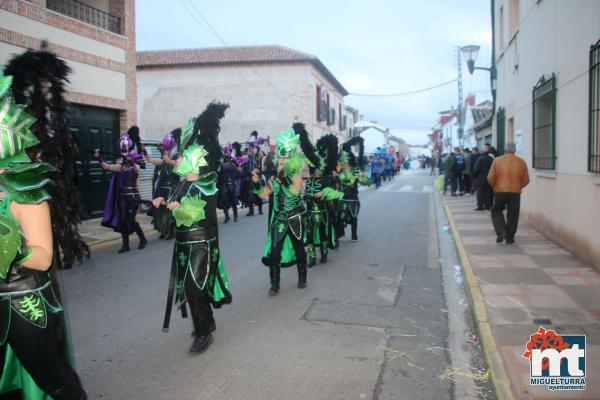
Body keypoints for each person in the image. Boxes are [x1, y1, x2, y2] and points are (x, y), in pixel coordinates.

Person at [0, 72, 87, 399]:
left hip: (24, 303)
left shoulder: (27, 192)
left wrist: (8, 250)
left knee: (55, 380)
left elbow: (43, 256)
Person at [159, 102, 232, 354]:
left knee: (194, 287)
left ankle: (203, 334)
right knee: (192, 288)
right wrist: (163, 202)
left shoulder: (206, 185)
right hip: (186, 244)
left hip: (200, 245)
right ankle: (206, 323)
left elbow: (193, 213)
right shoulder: (186, 183)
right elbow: (177, 202)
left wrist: (174, 208)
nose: (179, 159)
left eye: (185, 156)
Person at [253, 125, 309, 295]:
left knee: (299, 249)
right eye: (280, 161)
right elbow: (264, 194)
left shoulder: (296, 176)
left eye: (284, 161)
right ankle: (275, 285)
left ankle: (302, 278)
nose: (281, 163)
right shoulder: (273, 178)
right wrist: (257, 182)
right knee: (274, 252)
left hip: (294, 217)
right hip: (279, 219)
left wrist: (282, 177)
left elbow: (294, 191)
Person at [96, 132, 148, 253]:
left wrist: (133, 160)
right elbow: (106, 167)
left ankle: (143, 239)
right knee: (123, 220)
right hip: (122, 197)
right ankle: (125, 245)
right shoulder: (121, 167)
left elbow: (138, 168)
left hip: (134, 197)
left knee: (131, 220)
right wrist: (98, 157)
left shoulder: (135, 167)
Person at [299, 130, 343, 267]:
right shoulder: (308, 181)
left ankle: (324, 253)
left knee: (323, 234)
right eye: (314, 168)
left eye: (318, 168)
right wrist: (303, 195)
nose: (316, 171)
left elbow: (335, 193)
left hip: (323, 211)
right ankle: (311, 257)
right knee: (310, 236)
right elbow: (304, 193)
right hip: (310, 211)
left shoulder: (326, 180)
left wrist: (324, 193)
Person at [487, 142, 529, 244]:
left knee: (496, 210)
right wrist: (519, 187)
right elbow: (526, 179)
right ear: (515, 150)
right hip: (515, 192)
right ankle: (510, 237)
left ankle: (501, 231)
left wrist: (495, 186)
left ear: (505, 150)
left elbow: (490, 177)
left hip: (499, 191)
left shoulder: (497, 161)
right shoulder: (521, 162)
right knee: (513, 214)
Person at [145, 129, 181, 239]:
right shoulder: (166, 157)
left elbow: (170, 162)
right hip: (162, 187)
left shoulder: (178, 157)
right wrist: (144, 152)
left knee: (169, 210)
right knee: (160, 210)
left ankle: (172, 231)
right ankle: (163, 230)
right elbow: (154, 161)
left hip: (172, 187)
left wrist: (162, 152)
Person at [337, 137, 371, 242]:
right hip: (342, 197)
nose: (342, 163)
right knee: (340, 217)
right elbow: (337, 183)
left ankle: (354, 234)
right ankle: (339, 233)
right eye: (341, 161)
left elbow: (362, 180)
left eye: (343, 162)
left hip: (352, 197)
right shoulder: (339, 171)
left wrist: (360, 177)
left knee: (353, 217)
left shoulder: (355, 169)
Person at [218, 144, 241, 223]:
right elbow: (219, 176)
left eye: (228, 157)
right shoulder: (222, 166)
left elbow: (239, 172)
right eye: (226, 157)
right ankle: (227, 217)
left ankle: (235, 216)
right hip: (225, 186)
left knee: (233, 201)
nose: (227, 158)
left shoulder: (232, 165)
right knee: (225, 202)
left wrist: (235, 163)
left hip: (231, 185)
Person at [472, 144, 495, 210]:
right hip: (489, 178)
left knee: (480, 193)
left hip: (481, 178)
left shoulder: (480, 159)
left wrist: (475, 177)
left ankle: (480, 206)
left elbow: (476, 169)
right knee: (488, 192)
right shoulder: (491, 159)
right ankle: (488, 206)